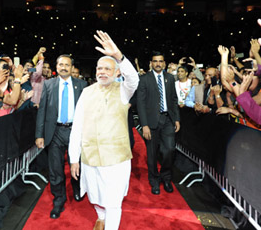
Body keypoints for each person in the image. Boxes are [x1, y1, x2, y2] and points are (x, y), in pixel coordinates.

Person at [69, 30, 139, 230]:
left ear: (117, 72)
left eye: (107, 69)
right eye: (99, 68)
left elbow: (134, 79)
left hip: (116, 159)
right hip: (90, 157)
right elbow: (77, 126)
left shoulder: (124, 90)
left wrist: (118, 56)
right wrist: (74, 158)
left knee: (113, 201)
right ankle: (100, 217)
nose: (102, 72)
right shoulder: (86, 92)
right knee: (95, 194)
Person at [35, 54, 87, 219]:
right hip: (55, 132)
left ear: (72, 68)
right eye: (61, 64)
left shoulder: (82, 85)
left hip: (75, 132)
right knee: (55, 169)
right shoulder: (48, 84)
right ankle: (59, 199)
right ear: (56, 67)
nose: (64, 67)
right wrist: (39, 134)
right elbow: (42, 111)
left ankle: (78, 188)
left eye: (67, 65)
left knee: (77, 164)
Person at [137, 51, 180, 195]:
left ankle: (166, 178)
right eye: (155, 61)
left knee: (169, 150)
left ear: (164, 63)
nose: (158, 64)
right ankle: (154, 181)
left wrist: (177, 119)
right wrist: (144, 125)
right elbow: (141, 103)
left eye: (161, 61)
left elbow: (174, 99)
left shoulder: (170, 78)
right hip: (151, 122)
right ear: (151, 63)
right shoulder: (144, 79)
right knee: (152, 154)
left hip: (167, 120)